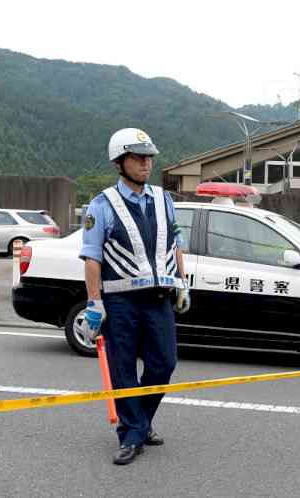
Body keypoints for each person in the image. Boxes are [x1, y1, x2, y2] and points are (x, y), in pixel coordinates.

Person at [76, 128, 191, 464]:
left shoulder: (164, 199)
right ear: (120, 162)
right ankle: (131, 435)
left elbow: (176, 245)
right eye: (138, 157)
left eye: (149, 156)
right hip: (120, 303)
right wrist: (94, 303)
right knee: (123, 370)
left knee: (164, 364)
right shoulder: (101, 205)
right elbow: (92, 257)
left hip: (159, 300)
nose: (146, 162)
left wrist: (183, 284)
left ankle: (139, 422)